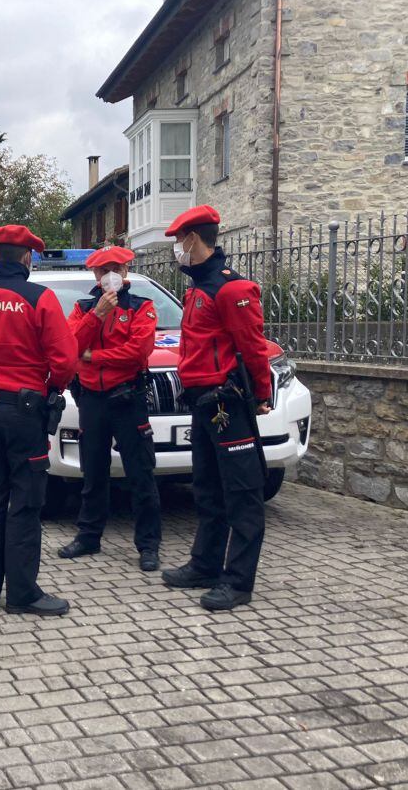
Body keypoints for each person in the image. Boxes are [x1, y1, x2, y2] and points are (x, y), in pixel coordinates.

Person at [0, 225, 78, 616]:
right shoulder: (40, 298)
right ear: (27, 257)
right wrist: (51, 386)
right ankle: (22, 594)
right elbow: (64, 361)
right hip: (24, 412)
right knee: (24, 502)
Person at [159, 205, 273, 612]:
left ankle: (238, 581)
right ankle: (204, 565)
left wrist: (262, 394)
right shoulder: (196, 289)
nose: (177, 249)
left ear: (195, 239)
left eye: (179, 241)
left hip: (229, 404)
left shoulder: (232, 290)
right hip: (203, 404)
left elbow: (253, 349)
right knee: (207, 488)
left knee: (242, 493)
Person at [59, 246, 162, 571]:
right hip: (91, 398)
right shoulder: (84, 307)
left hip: (128, 398)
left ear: (126, 271)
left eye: (115, 268)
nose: (109, 275)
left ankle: (148, 546)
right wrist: (98, 315)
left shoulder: (141, 307)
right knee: (93, 472)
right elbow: (70, 346)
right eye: (103, 271)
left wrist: (94, 357)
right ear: (95, 275)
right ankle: (89, 536)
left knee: (141, 474)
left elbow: (138, 352)